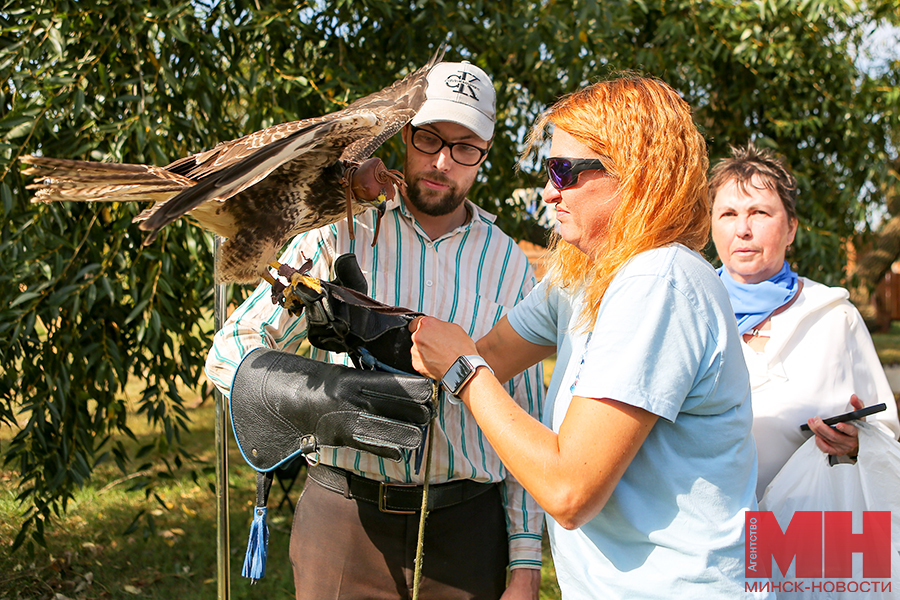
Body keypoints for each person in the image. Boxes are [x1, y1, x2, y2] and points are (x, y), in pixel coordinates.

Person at [410, 76, 771, 599]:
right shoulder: (583, 275)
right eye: (547, 170)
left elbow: (568, 488)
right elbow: (491, 355)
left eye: (565, 171)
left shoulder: (657, 281)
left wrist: (463, 371)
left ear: (637, 176)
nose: (549, 191)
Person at [206, 61, 546, 600]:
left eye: (465, 147)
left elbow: (527, 413)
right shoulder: (341, 228)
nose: (441, 161)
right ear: (403, 133)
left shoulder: (508, 264)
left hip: (466, 531)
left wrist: (525, 565)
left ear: (485, 154)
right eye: (428, 137)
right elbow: (229, 352)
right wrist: (320, 399)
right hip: (344, 524)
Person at [709, 143, 900, 499]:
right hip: (706, 535)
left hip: (805, 534)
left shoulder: (834, 316)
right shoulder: (692, 310)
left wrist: (857, 442)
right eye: (728, 214)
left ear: (792, 228)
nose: (743, 229)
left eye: (760, 213)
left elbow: (884, 431)